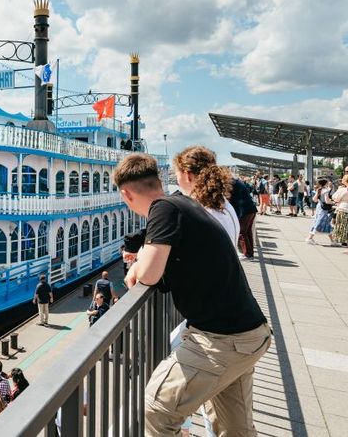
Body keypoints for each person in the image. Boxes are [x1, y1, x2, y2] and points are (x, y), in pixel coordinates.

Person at [116, 153, 270, 436]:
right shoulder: (183, 203)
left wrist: (136, 264)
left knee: (157, 409)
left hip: (223, 339)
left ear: (126, 194)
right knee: (235, 428)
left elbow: (148, 274)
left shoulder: (163, 208)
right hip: (249, 333)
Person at [172, 146, 239, 244]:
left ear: (187, 175)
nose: (178, 182)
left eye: (177, 176)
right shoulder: (223, 204)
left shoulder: (197, 212)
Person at [229, 176, 257, 259]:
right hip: (250, 209)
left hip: (245, 211)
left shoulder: (231, 183)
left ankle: (246, 254)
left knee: (242, 232)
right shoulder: (236, 182)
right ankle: (249, 253)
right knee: (247, 232)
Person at [306, 179, 334, 245]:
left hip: (319, 207)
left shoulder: (319, 190)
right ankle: (309, 238)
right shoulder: (326, 190)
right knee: (320, 222)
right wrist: (334, 202)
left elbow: (314, 200)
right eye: (327, 183)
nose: (328, 184)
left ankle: (333, 241)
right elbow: (327, 201)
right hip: (324, 208)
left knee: (323, 222)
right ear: (325, 184)